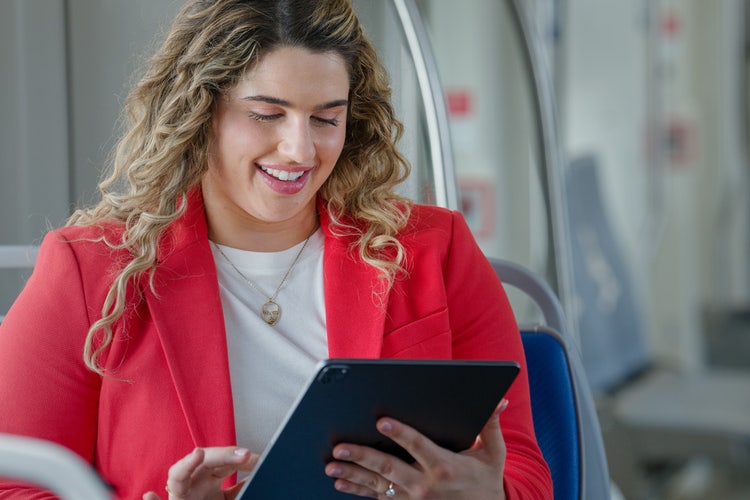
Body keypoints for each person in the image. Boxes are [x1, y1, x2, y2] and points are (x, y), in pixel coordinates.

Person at [0, 0, 552, 498]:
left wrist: (489, 497)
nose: (300, 149)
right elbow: (14, 485)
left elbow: (526, 471)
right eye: (266, 114)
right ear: (199, 111)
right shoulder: (91, 269)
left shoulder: (438, 249)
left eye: (326, 118)